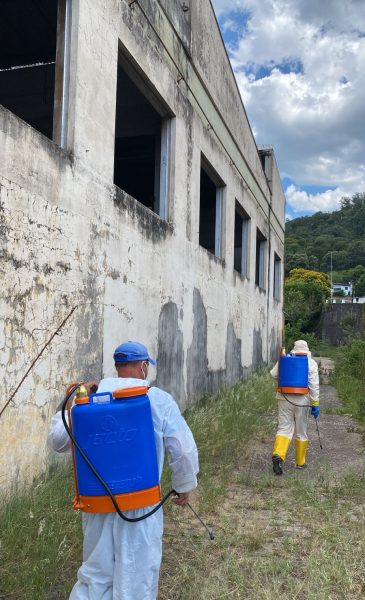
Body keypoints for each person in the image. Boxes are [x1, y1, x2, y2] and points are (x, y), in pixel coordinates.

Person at [48, 340, 199, 600]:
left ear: (117, 367)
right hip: (142, 506)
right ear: (143, 367)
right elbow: (183, 450)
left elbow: (57, 441)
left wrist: (76, 402)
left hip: (97, 504)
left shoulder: (89, 399)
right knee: (136, 579)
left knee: (95, 575)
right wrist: (184, 487)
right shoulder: (158, 400)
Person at [270, 339, 319, 475]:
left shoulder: (285, 359)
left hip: (284, 397)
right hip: (302, 400)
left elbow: (273, 374)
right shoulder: (311, 363)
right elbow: (314, 385)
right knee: (301, 430)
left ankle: (278, 455)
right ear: (307, 350)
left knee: (284, 428)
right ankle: (300, 462)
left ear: (294, 349)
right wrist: (315, 404)